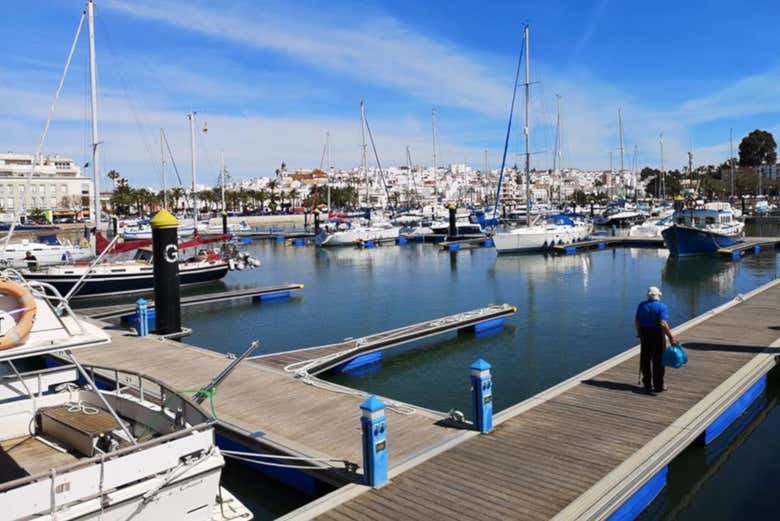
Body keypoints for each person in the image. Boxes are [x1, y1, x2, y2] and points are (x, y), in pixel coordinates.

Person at [635, 286, 676, 394]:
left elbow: (637, 321)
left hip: (644, 334)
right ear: (658, 295)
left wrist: (639, 333)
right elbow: (663, 323)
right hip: (657, 335)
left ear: (648, 295)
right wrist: (671, 337)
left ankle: (647, 384)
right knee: (658, 360)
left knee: (645, 359)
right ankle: (658, 386)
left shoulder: (641, 305)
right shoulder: (662, 306)